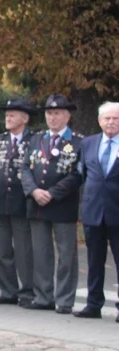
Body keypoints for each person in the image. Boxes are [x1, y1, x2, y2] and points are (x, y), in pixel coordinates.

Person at [21, 94, 83, 314]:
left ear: (67, 116)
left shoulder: (78, 141)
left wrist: (53, 193)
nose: (52, 117)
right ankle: (43, 296)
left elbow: (78, 174)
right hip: (37, 205)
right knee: (40, 253)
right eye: (49, 113)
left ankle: (65, 299)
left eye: (57, 113)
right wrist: (33, 191)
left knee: (66, 255)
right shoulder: (36, 139)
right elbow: (25, 168)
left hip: (62, 205)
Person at [0, 99, 37, 306]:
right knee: (0, 249)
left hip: (22, 204)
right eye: (6, 115)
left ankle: (27, 291)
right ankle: (8, 290)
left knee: (24, 251)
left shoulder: (33, 140)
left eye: (12, 115)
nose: (8, 118)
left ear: (24, 118)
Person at [74, 102, 119, 321]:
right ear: (99, 121)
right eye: (107, 118)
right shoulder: (89, 143)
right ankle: (93, 304)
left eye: (116, 118)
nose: (111, 122)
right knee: (94, 261)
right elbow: (83, 174)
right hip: (93, 212)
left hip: (117, 211)